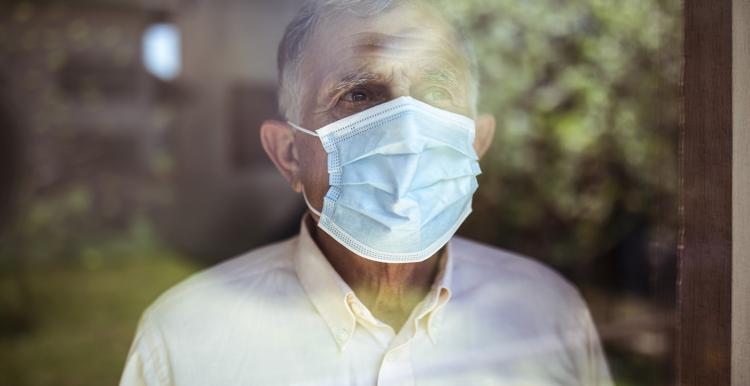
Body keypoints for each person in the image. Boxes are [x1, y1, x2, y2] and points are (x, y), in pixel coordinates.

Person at [119, 0, 613, 385]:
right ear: (289, 153)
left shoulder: (548, 314)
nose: (409, 128)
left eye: (438, 93)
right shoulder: (185, 341)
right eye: (359, 93)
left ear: (477, 143)